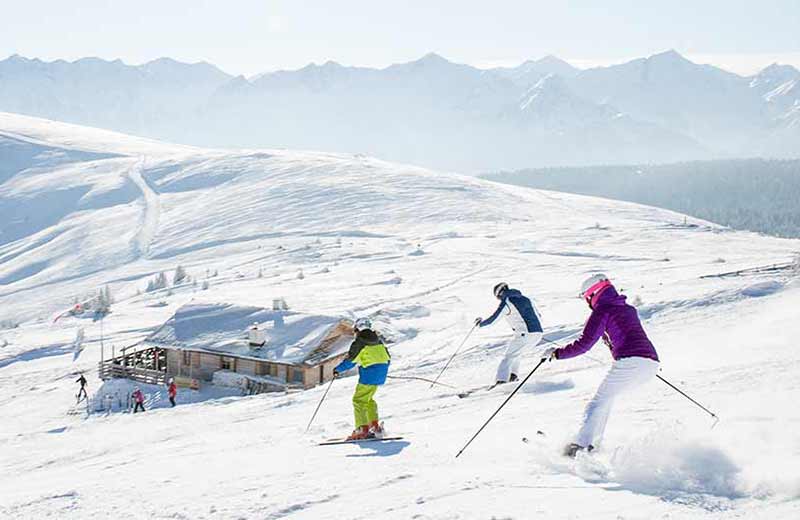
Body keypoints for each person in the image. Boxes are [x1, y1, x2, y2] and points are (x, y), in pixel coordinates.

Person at [543, 274, 660, 457]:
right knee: (606, 401)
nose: (587, 303)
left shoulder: (602, 310)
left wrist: (556, 354)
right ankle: (593, 444)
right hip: (650, 364)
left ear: (592, 295)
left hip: (631, 362)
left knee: (597, 403)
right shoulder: (627, 308)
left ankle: (582, 446)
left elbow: (584, 344)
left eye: (586, 298)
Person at [334, 317, 391, 440]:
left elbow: (351, 361)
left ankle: (362, 429)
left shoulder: (359, 342)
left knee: (358, 400)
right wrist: (381, 370)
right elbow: (387, 357)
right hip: (380, 373)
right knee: (368, 399)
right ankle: (374, 426)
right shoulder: (378, 341)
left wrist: (338, 369)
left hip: (369, 375)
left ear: (357, 329)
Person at [475, 282, 544, 384]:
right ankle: (513, 376)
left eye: (498, 297)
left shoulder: (507, 302)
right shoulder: (526, 299)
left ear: (500, 293)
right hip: (538, 334)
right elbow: (539, 315)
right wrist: (534, 330)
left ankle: (501, 380)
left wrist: (480, 324)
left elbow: (494, 319)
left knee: (509, 356)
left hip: (525, 334)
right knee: (516, 354)